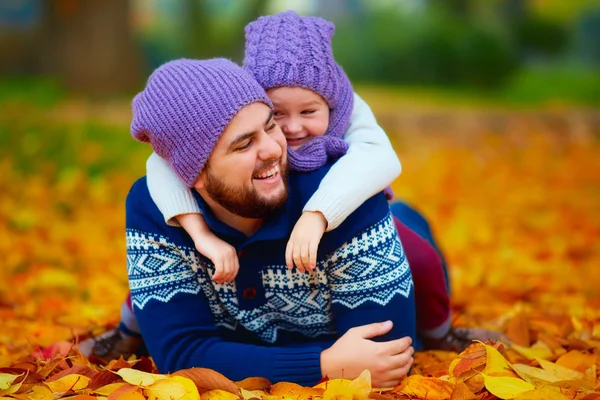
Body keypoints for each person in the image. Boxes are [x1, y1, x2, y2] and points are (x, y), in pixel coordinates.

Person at [83, 11, 500, 364]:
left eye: (306, 113)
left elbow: (381, 160)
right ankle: (129, 329)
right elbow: (161, 165)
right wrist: (199, 233)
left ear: (330, 102)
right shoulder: (227, 109)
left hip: (352, 203)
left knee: (418, 252)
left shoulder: (348, 112)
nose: (289, 131)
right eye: (271, 116)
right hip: (256, 221)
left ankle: (444, 333)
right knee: (151, 282)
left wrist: (317, 215)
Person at [120, 57, 417, 388]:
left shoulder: (345, 195)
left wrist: (231, 357)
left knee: (413, 235)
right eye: (245, 144)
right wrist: (323, 363)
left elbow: (386, 356)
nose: (274, 149)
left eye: (270, 125)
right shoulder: (154, 210)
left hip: (399, 226)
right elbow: (180, 354)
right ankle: (125, 328)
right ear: (194, 175)